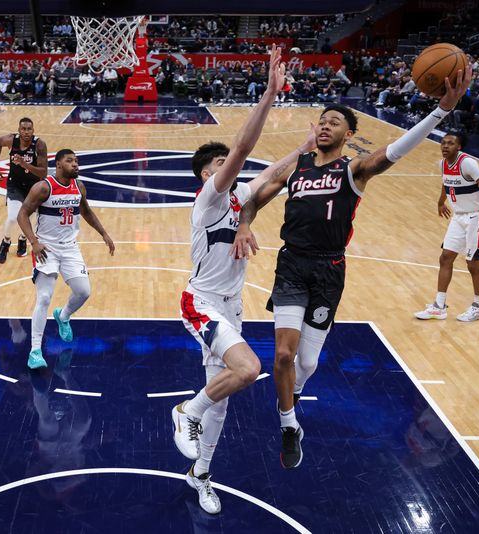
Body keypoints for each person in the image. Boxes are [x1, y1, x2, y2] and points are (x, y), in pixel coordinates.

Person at [233, 66, 473, 470]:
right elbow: (256, 196)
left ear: (348, 134)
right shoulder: (298, 167)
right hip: (291, 265)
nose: (325, 126)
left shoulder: (354, 170)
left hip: (329, 271)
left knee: (306, 364)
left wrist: (439, 113)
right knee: (283, 357)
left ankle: (289, 396)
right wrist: (244, 224)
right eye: (323, 121)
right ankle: (289, 423)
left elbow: (394, 152)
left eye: (335, 122)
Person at [171, 46, 312, 516]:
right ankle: (184, 412)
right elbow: (246, 151)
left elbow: (271, 174)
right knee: (249, 370)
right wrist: (270, 93)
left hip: (231, 305)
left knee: (225, 400)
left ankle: (201, 476)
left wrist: (303, 150)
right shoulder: (209, 199)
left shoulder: (237, 200)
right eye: (220, 166)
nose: (228, 170)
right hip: (202, 301)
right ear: (208, 174)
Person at [16, 149, 115, 369]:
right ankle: (35, 351)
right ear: (58, 165)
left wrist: (104, 233)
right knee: (43, 297)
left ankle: (64, 315)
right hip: (46, 248)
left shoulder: (79, 187)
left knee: (84, 292)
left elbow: (86, 211)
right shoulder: (43, 187)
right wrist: (33, 242)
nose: (76, 165)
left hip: (70, 248)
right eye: (70, 161)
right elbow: (22, 214)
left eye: (77, 161)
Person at [414, 132, 479, 321]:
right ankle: (439, 306)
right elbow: (446, 183)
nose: (445, 146)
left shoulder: (467, 163)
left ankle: (478, 306)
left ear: (459, 147)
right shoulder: (443, 163)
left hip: (478, 216)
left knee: (472, 264)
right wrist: (440, 202)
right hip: (458, 216)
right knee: (445, 257)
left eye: (450, 143)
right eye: (443, 143)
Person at [0, 118, 49, 263]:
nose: (26, 132)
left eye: (29, 129)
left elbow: (43, 173)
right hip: (15, 184)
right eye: (23, 129)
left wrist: (24, 164)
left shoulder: (40, 145)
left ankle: (23, 239)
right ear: (18, 130)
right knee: (13, 217)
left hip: (33, 187)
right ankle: (6, 241)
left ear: (33, 130)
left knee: (31, 219)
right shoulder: (11, 140)